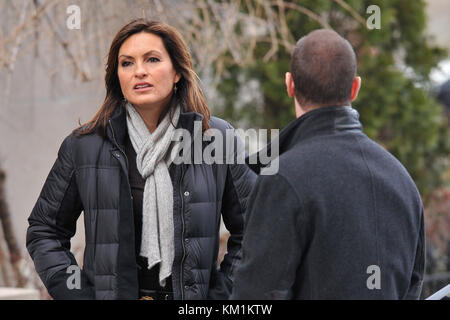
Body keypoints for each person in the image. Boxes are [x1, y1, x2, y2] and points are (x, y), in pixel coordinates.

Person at [26, 19, 256, 300]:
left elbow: (255, 229)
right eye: (127, 63)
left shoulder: (216, 138)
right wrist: (78, 293)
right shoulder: (84, 146)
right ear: (117, 77)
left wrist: (220, 296)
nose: (140, 72)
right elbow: (44, 230)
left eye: (152, 59)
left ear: (176, 72)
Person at [231, 29, 425, 300]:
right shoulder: (402, 180)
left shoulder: (282, 178)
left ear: (290, 85)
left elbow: (255, 296)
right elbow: (412, 286)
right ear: (355, 87)